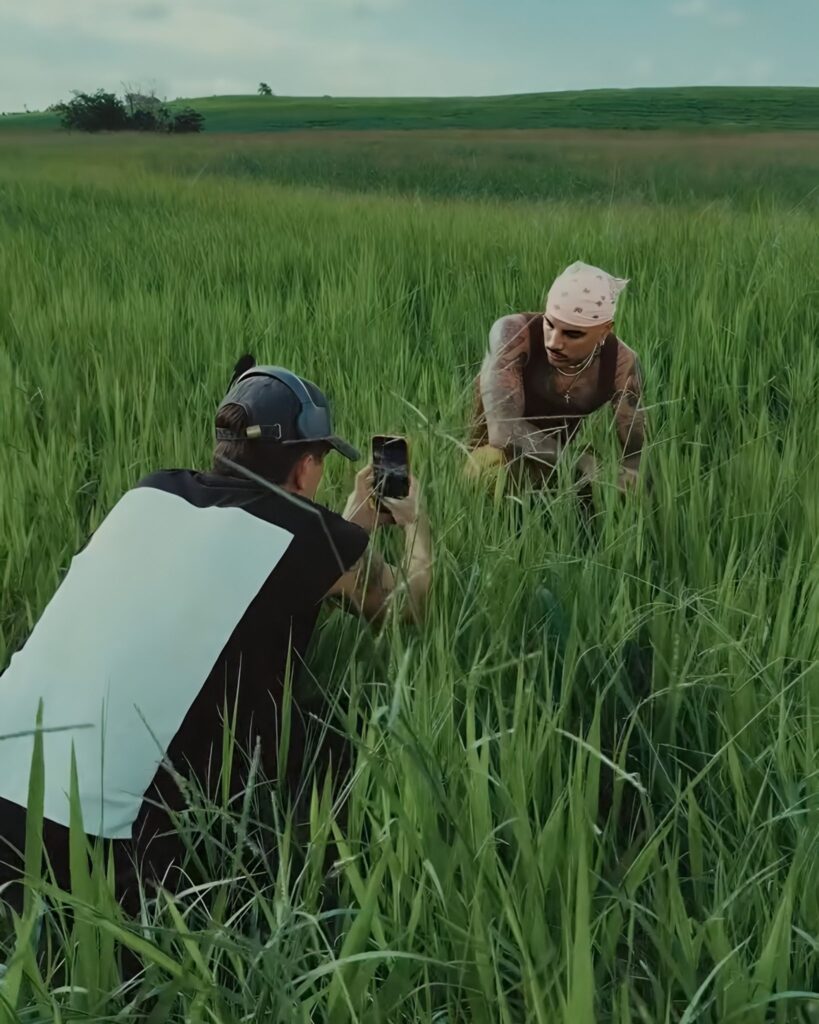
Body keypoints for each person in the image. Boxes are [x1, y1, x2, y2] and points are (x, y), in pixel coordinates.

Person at [0, 356, 432, 914]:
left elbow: (275, 556)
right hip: (95, 848)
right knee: (332, 721)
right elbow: (406, 611)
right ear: (305, 468)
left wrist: (347, 528)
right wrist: (419, 525)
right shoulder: (311, 540)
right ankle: (300, 889)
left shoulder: (149, 493)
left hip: (8, 791)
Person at [466, 261, 646, 491]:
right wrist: (584, 463)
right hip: (492, 457)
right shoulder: (512, 333)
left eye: (572, 334)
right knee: (491, 470)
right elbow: (503, 431)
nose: (553, 343)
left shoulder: (621, 364)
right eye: (549, 325)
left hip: (556, 465)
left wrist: (629, 484)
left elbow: (636, 454)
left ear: (604, 330)